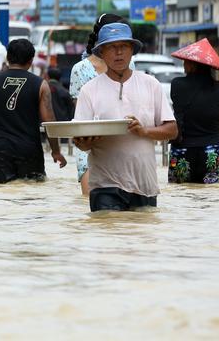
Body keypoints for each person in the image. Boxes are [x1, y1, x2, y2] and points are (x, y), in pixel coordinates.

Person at [73, 23, 176, 212]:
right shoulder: (89, 90)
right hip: (104, 185)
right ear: (102, 53)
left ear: (132, 51)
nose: (118, 52)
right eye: (112, 47)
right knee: (109, 234)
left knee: (142, 237)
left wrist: (144, 131)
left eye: (124, 47)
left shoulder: (151, 84)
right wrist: (87, 142)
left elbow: (171, 130)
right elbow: (80, 140)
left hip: (144, 184)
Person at [0, 39, 66, 183]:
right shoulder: (41, 85)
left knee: (0, 197)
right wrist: (56, 151)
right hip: (29, 150)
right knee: (30, 198)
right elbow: (49, 122)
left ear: (7, 58)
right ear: (31, 61)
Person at [69, 13, 130, 196]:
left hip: (121, 142)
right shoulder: (79, 69)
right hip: (88, 143)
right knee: (91, 203)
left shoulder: (129, 65)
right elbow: (79, 112)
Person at [169, 38, 219, 185]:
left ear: (192, 65)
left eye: (186, 62)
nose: (184, 65)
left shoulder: (177, 85)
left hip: (182, 149)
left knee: (181, 196)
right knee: (212, 197)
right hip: (212, 150)